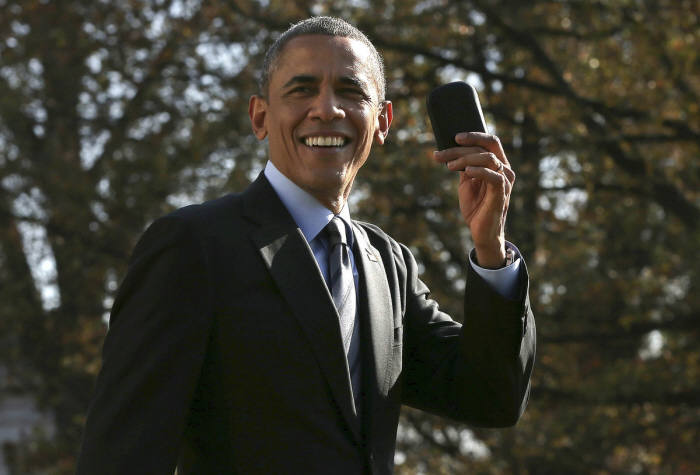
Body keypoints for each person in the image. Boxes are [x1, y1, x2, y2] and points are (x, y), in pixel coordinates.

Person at [77, 16, 535, 475]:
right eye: (302, 89)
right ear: (260, 116)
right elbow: (122, 452)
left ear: (382, 122)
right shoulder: (194, 245)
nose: (327, 109)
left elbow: (490, 397)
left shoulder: (388, 265)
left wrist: (491, 248)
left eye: (351, 92)